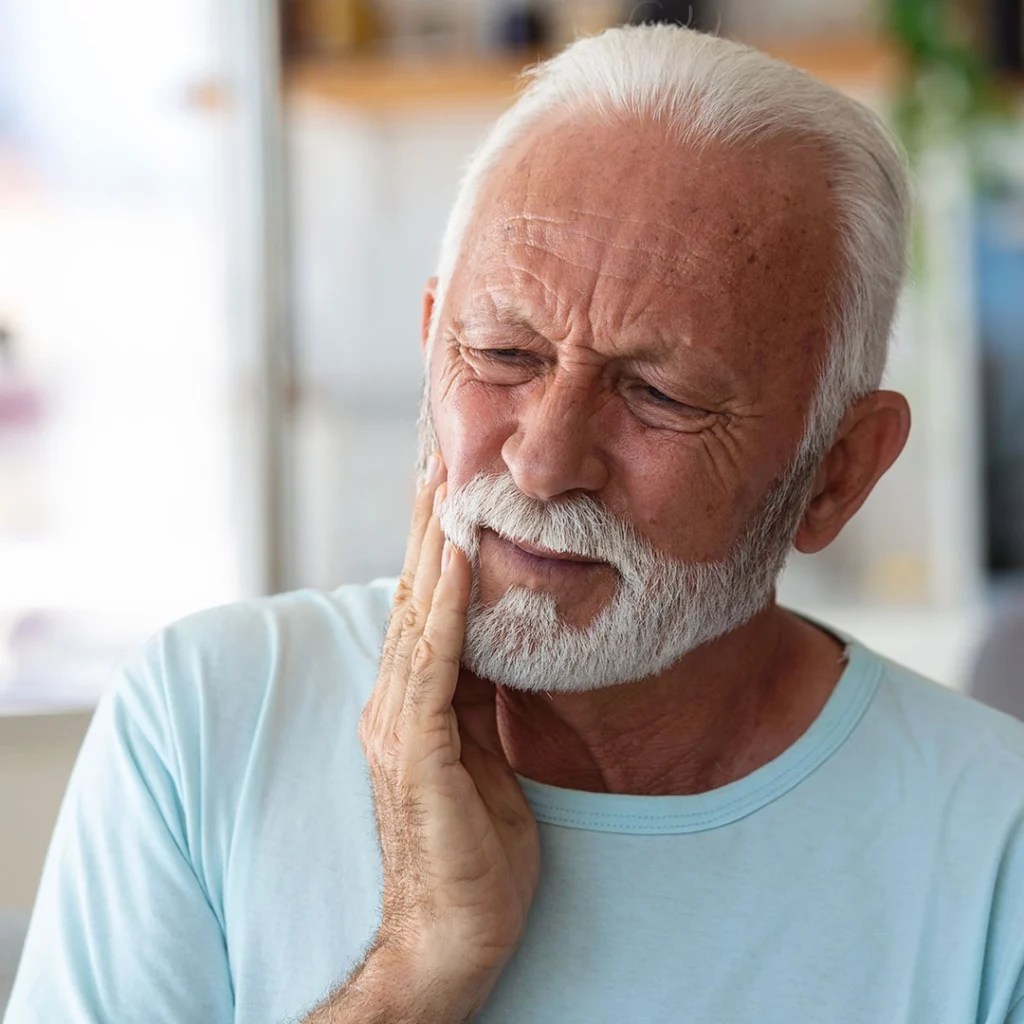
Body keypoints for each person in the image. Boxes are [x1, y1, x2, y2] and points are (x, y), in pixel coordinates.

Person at [7, 23, 1024, 1024]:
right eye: (502, 354)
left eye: (659, 396)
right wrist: (412, 973)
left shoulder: (995, 848)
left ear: (835, 475)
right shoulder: (207, 719)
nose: (541, 462)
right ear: (428, 341)